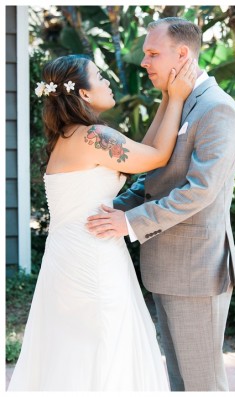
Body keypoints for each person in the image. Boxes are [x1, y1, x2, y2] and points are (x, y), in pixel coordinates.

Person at [8, 54, 197, 391]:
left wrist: (169, 96)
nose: (108, 81)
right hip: (92, 257)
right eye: (99, 76)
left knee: (75, 346)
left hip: (68, 255)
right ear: (82, 93)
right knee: (104, 340)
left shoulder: (70, 136)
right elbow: (156, 156)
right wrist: (178, 96)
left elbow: (146, 148)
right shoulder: (94, 137)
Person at [85, 17, 235, 391]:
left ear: (183, 54)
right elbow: (154, 180)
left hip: (196, 271)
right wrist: (117, 209)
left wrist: (128, 225)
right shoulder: (177, 103)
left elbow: (199, 191)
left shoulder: (217, 108)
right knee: (178, 380)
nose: (145, 62)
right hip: (166, 267)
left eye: (153, 53)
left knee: (202, 383)